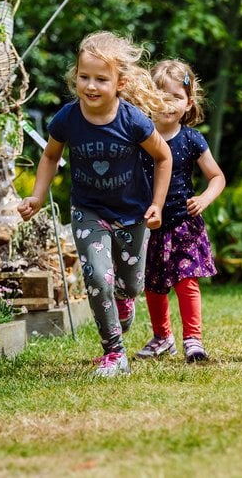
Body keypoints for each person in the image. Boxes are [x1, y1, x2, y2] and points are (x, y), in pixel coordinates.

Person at [18, 31, 172, 377]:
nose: (91, 86)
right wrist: (37, 195)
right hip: (89, 212)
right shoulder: (68, 118)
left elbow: (163, 157)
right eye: (84, 77)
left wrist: (157, 204)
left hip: (132, 214)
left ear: (119, 83)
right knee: (98, 279)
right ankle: (114, 353)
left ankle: (124, 301)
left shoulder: (132, 120)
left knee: (130, 284)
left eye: (101, 79)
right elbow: (50, 156)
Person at [136, 60, 225, 363]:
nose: (167, 103)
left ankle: (193, 340)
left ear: (188, 103)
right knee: (153, 286)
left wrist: (205, 199)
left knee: (187, 282)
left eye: (176, 96)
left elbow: (217, 176)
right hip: (149, 226)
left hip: (184, 224)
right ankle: (162, 338)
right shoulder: (139, 138)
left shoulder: (191, 139)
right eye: (160, 95)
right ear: (148, 97)